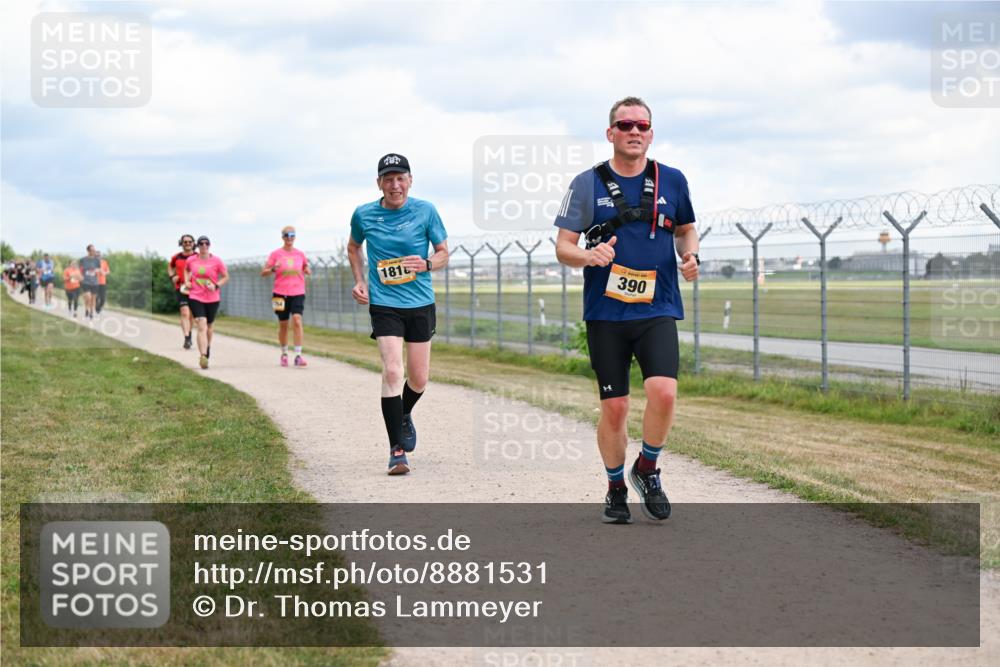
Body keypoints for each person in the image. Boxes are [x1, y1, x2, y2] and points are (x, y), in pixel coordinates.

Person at [554, 96, 700, 524]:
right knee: (615, 408)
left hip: (657, 307)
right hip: (606, 313)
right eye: (625, 125)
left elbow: (687, 231)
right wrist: (589, 256)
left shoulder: (672, 180)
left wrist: (690, 256)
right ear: (610, 133)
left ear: (651, 134)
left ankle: (647, 468)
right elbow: (564, 246)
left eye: (642, 125)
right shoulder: (587, 183)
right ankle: (616, 487)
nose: (634, 131)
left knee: (665, 392)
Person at [348, 153, 449, 475]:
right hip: (384, 303)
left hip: (420, 303)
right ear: (379, 183)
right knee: (393, 371)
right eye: (388, 179)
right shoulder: (364, 214)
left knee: (418, 379)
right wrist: (360, 281)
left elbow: (444, 251)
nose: (395, 185)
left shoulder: (426, 210)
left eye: (400, 178)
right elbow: (353, 247)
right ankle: (397, 450)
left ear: (410, 180)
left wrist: (429, 264)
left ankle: (403, 413)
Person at [261, 226, 311, 367]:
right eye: (286, 235)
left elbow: (306, 267)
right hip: (279, 293)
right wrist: (272, 269)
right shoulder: (275, 254)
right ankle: (284, 353)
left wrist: (307, 270)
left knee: (297, 320)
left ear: (295, 237)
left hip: (298, 292)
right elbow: (263, 272)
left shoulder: (300, 254)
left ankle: (298, 355)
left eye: (292, 235)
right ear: (282, 237)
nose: (289, 237)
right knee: (283, 324)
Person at [184, 236, 228, 369]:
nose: (204, 246)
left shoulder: (217, 261)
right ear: (197, 246)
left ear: (209, 245)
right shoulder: (191, 260)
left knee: (209, 326)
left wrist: (216, 286)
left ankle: (207, 347)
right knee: (201, 323)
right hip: (195, 296)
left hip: (212, 298)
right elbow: (186, 270)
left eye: (206, 243)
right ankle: (203, 356)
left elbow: (226, 276)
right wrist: (187, 281)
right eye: (201, 244)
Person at [169, 234, 196, 349]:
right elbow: (170, 267)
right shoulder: (176, 257)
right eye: (185, 242)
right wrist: (172, 276)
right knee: (185, 312)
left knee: (191, 316)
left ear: (193, 243)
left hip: (195, 289)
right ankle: (187, 338)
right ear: (181, 243)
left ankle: (189, 335)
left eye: (190, 241)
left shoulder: (198, 256)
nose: (188, 244)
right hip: (181, 288)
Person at [79, 245, 101, 320]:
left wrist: (96, 270)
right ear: (88, 251)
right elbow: (80, 270)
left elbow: (99, 269)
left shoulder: (97, 260)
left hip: (94, 282)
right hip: (86, 281)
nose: (94, 251)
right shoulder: (83, 260)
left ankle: (91, 313)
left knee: (93, 299)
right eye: (92, 250)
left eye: (94, 250)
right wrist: (80, 277)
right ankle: (86, 311)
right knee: (88, 297)